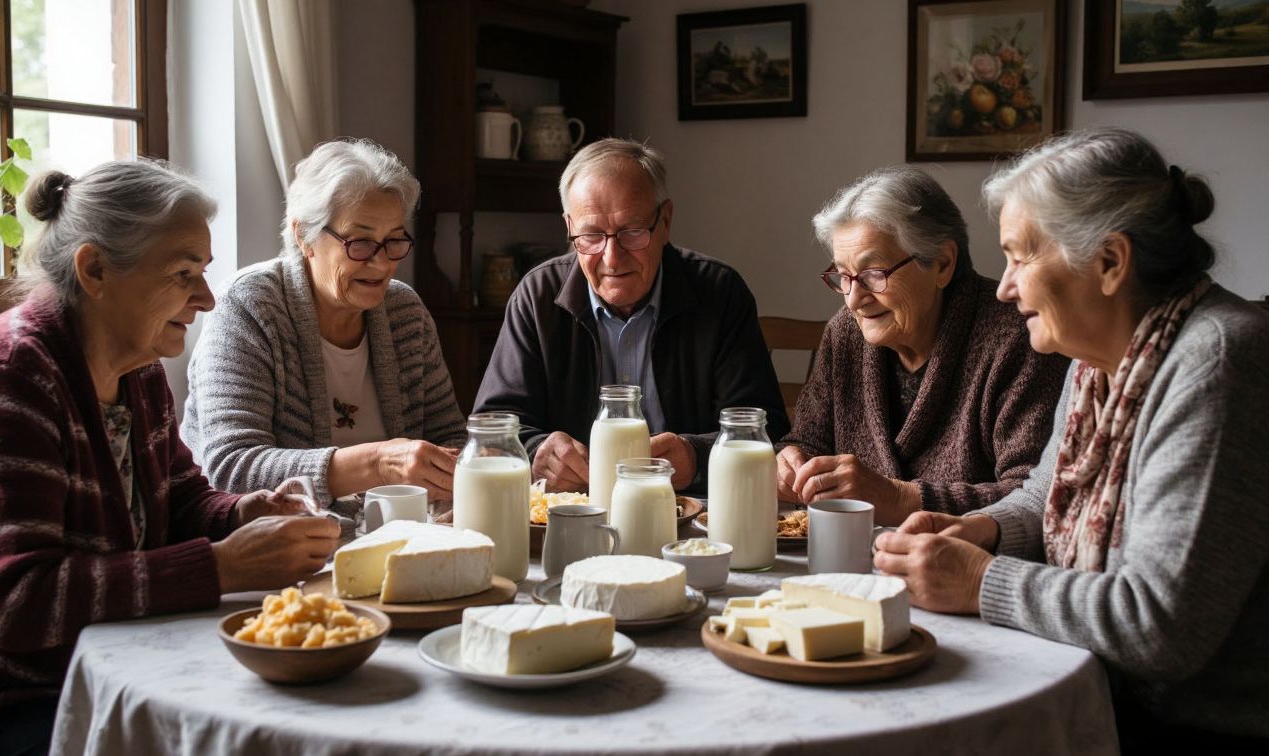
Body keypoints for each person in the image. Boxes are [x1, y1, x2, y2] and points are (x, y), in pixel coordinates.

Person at [0, 161, 340, 754]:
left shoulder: (136, 370)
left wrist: (244, 512)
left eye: (204, 271)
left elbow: (181, 501)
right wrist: (224, 566)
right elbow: (18, 602)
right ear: (94, 269)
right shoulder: (3, 382)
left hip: (103, 666)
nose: (205, 297)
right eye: (182, 273)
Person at [874, 128, 1269, 748]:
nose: (1004, 287)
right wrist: (985, 529)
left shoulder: (1216, 362)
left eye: (1020, 256)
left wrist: (982, 581)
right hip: (1102, 694)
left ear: (1110, 262)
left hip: (1187, 728)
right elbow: (1044, 493)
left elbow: (1158, 626)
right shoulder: (1097, 358)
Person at [474, 138, 788, 492]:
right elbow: (492, 428)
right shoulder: (537, 296)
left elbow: (767, 428)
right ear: (569, 228)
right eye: (591, 235)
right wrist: (536, 452)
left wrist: (696, 456)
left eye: (632, 232)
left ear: (665, 221)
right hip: (574, 511)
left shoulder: (720, 292)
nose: (611, 257)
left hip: (691, 511)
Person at [777, 167, 1069, 525]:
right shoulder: (846, 334)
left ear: (942, 264)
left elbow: (1037, 499)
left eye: (874, 274)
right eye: (843, 276)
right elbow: (808, 440)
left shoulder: (1018, 339)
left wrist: (901, 498)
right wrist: (792, 460)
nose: (854, 299)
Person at [182, 140, 465, 504]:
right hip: (281, 543)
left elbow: (450, 437)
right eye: (360, 243)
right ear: (304, 236)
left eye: (394, 240)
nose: (382, 264)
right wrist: (376, 463)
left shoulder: (404, 311)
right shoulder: (249, 306)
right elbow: (231, 468)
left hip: (398, 534)